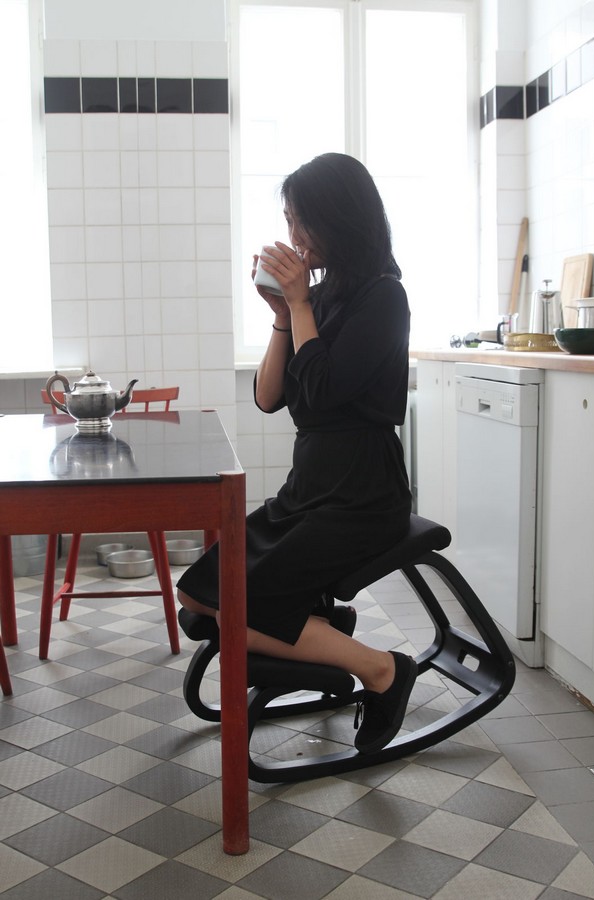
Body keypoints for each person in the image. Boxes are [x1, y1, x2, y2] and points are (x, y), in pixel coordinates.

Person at [178, 152, 416, 754]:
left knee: (238, 612)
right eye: (288, 220)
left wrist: (301, 305)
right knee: (198, 594)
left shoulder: (384, 298)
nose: (293, 236)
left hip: (361, 495)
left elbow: (327, 391)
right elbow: (268, 397)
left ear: (339, 219)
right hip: (308, 489)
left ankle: (383, 670)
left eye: (300, 221)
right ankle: (326, 630)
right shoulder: (322, 294)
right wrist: (285, 315)